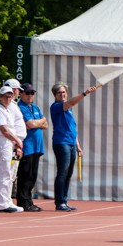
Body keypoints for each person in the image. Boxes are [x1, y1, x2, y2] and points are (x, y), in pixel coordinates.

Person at [50, 81, 97, 212]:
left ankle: (64, 200)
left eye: (64, 92)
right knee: (62, 172)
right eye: (59, 92)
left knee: (69, 172)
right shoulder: (57, 106)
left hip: (70, 142)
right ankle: (59, 202)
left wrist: (78, 146)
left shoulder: (68, 110)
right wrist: (85, 93)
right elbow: (71, 102)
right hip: (61, 142)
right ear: (55, 95)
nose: (62, 94)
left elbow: (72, 129)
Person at [0, 85, 25, 213]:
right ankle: (1, 203)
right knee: (4, 172)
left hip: (9, 143)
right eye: (6, 96)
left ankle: (7, 200)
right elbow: (4, 130)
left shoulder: (8, 110)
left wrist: (16, 143)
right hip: (3, 142)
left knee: (10, 173)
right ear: (0, 97)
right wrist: (17, 141)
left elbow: (12, 129)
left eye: (10, 96)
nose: (8, 99)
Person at [15, 83, 47, 211]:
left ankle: (28, 200)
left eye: (32, 93)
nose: (30, 96)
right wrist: (40, 122)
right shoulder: (20, 107)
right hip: (27, 146)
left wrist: (37, 123)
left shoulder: (35, 107)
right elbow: (30, 124)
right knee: (25, 175)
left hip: (37, 146)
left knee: (33, 175)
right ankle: (23, 201)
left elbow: (46, 125)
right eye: (27, 93)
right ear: (21, 94)